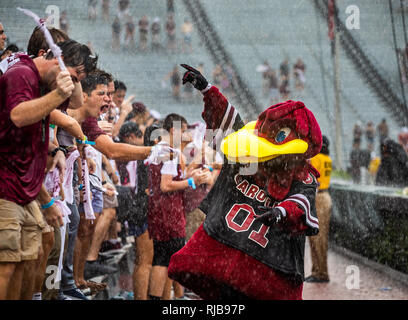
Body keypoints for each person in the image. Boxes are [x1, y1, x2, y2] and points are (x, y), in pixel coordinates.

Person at [168, 64, 322, 300]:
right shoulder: (248, 154)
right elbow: (227, 121)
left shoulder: (300, 172)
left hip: (267, 261)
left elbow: (302, 201)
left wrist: (281, 212)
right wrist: (207, 89)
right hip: (226, 249)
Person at [0, 39, 96, 300]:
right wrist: (57, 93)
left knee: (31, 258)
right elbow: (18, 116)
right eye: (73, 77)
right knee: (8, 264)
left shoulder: (42, 82)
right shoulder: (22, 73)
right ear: (57, 60)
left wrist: (46, 200)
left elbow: (74, 102)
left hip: (26, 187)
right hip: (6, 185)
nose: (73, 85)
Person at [146, 113, 207, 300]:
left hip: (160, 209)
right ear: (174, 130)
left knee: (164, 257)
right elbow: (166, 185)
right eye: (184, 129)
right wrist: (192, 182)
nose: (186, 133)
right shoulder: (170, 152)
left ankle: (165, 297)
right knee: (165, 258)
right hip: (168, 211)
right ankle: (158, 297)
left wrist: (189, 177)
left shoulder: (160, 149)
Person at [116, 121, 153, 300]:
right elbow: (147, 188)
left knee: (144, 260)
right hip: (143, 210)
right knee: (144, 261)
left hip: (141, 208)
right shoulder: (147, 158)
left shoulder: (145, 157)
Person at [306, 135, 332, 283]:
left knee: (317, 237)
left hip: (318, 198)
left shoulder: (316, 159)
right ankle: (317, 271)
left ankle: (320, 273)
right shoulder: (327, 159)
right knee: (318, 237)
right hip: (325, 196)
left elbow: (311, 178)